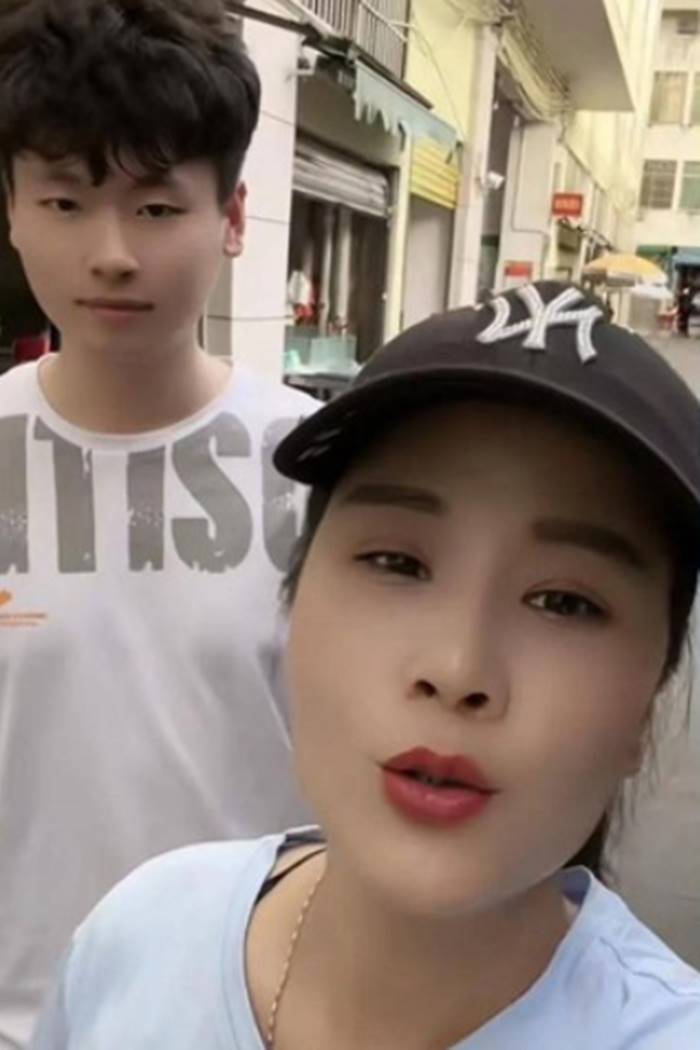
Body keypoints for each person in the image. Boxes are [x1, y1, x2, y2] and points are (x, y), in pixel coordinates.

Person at [32, 281, 700, 1048]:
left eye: (565, 603)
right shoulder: (139, 940)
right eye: (397, 563)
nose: (457, 669)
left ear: (648, 705)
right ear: (292, 605)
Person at [0, 1, 316, 1044]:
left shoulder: (321, 472)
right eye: (65, 201)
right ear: (12, 210)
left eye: (155, 206)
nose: (111, 254)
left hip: (248, 1015)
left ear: (232, 216)